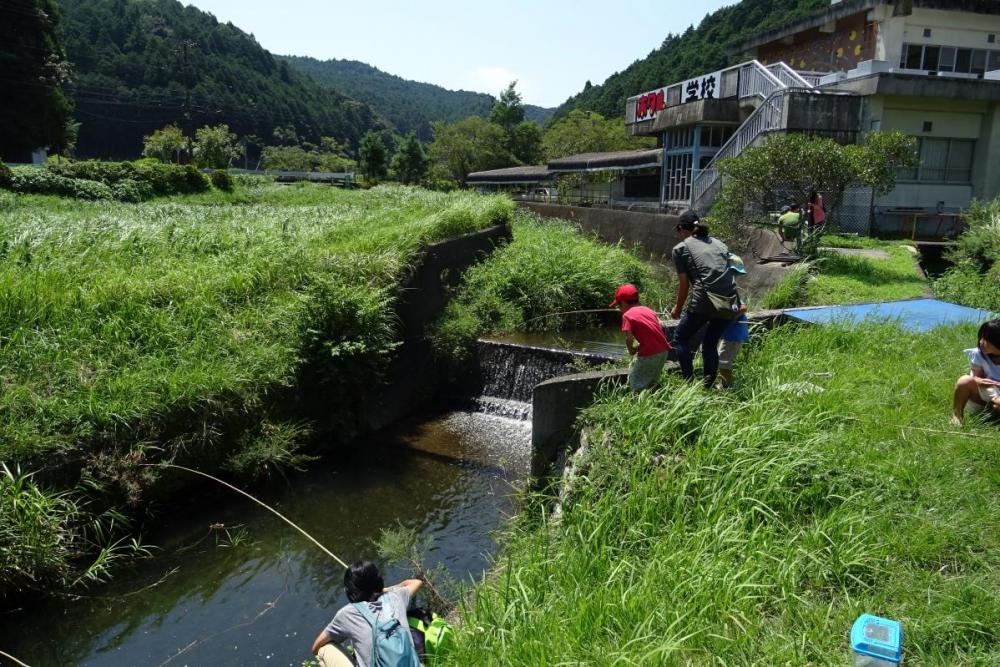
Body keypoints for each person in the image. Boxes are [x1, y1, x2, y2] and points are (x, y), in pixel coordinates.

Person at [670, 210, 740, 388]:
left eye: (678, 231)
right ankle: (708, 386)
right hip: (730, 301)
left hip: (705, 299)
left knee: (680, 338)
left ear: (681, 229)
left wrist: (677, 309)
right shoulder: (719, 244)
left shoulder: (681, 248)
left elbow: (684, 284)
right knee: (710, 343)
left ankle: (688, 383)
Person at [311, 561, 423, 667]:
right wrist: (385, 589)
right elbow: (416, 582)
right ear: (379, 580)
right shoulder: (396, 596)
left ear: (350, 590)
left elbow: (316, 647)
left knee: (323, 649)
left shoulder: (347, 614)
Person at [610, 283, 671, 391]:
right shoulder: (649, 310)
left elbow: (630, 338)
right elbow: (656, 331)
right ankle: (654, 399)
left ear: (623, 302)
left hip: (649, 353)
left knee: (635, 380)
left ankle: (638, 404)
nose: (619, 308)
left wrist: (631, 349)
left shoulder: (627, 316)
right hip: (664, 350)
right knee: (652, 379)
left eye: (619, 305)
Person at [951, 319, 1000, 424]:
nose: (982, 342)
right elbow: (975, 376)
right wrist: (979, 381)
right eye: (981, 337)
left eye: (987, 339)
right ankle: (956, 415)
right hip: (985, 394)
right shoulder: (979, 354)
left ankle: (993, 415)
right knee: (964, 381)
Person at [717, 254, 749, 388]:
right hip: (730, 333)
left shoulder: (730, 290)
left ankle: (726, 387)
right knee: (722, 358)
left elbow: (742, 308)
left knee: (724, 360)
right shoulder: (728, 289)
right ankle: (724, 384)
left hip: (733, 334)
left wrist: (731, 317)